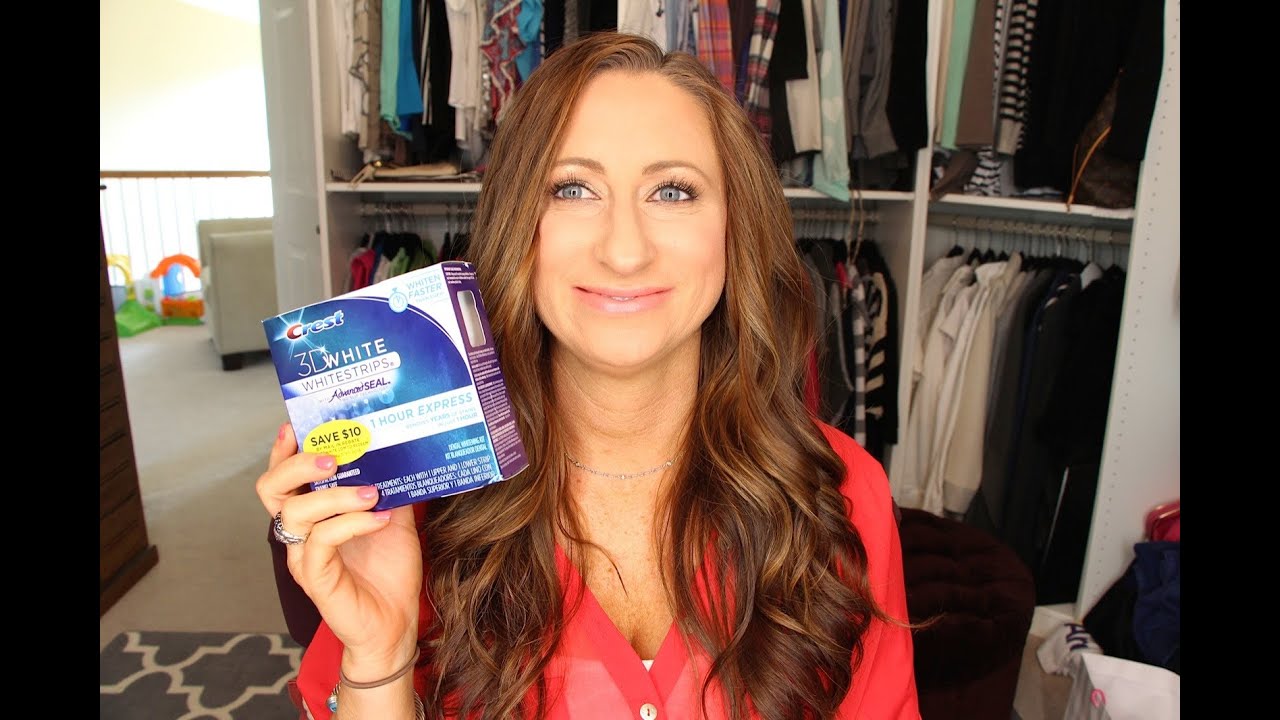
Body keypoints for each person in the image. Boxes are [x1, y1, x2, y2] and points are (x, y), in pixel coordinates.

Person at [257, 31, 921, 720]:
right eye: (572, 189)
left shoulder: (843, 494)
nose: (624, 251)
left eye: (672, 191)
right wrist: (381, 657)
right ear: (520, 223)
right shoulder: (415, 499)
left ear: (734, 225)